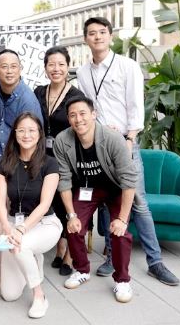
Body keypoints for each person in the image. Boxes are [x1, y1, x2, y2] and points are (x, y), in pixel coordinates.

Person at [76, 17, 180, 286]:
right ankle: (113, 256)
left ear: (111, 36)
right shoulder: (83, 72)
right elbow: (89, 108)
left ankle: (155, 261)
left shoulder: (127, 66)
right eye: (91, 33)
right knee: (111, 202)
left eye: (102, 32)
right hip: (100, 145)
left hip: (125, 142)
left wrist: (130, 140)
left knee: (139, 201)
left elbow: (136, 105)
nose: (97, 37)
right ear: (85, 39)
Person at [53, 95, 136, 303]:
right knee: (73, 226)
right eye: (73, 115)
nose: (78, 119)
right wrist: (71, 215)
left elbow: (128, 180)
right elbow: (64, 180)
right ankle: (82, 270)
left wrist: (123, 219)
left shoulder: (112, 138)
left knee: (120, 231)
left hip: (115, 188)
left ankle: (122, 280)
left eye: (82, 113)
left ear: (93, 114)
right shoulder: (63, 140)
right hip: (87, 188)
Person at [0, 112, 62, 319]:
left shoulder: (50, 163)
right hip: (14, 223)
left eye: (31, 130)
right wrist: (7, 227)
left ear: (40, 133)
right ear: (15, 134)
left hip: (44, 224)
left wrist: (21, 230)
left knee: (20, 244)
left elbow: (44, 205)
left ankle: (39, 295)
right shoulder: (6, 162)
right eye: (21, 130)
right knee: (9, 294)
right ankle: (33, 258)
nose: (26, 135)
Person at [34, 46, 84, 277]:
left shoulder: (76, 96)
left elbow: (83, 126)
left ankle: (69, 252)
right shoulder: (38, 92)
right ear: (45, 68)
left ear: (67, 66)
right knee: (51, 200)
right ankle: (59, 243)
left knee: (69, 201)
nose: (56, 69)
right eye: (51, 64)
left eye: (61, 64)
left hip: (68, 156)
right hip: (43, 157)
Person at [0, 49, 43, 161]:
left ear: (20, 69)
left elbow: (35, 139)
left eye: (13, 66)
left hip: (17, 162)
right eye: (4, 66)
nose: (9, 71)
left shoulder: (28, 100)